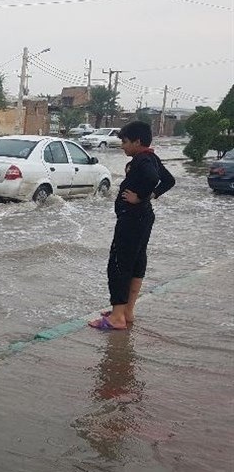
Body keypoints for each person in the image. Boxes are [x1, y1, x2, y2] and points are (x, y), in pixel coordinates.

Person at [89, 121, 175, 330]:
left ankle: (117, 317)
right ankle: (127, 311)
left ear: (137, 141)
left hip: (132, 219)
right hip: (143, 218)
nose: (122, 146)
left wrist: (141, 197)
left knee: (119, 264)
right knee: (137, 261)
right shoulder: (151, 157)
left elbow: (153, 178)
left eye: (125, 142)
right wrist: (150, 197)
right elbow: (169, 180)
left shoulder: (142, 160)